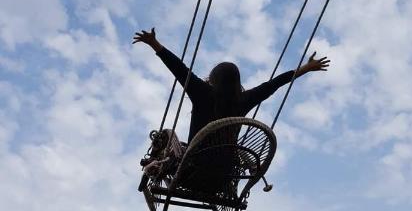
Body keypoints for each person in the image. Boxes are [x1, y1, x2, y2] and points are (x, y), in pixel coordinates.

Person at [133, 27, 330, 175]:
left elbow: (179, 69)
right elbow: (275, 83)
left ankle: (157, 165)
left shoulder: (202, 92)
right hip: (225, 175)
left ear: (213, 78)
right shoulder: (244, 99)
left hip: (194, 170)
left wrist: (154, 44)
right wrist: (306, 68)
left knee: (166, 138)